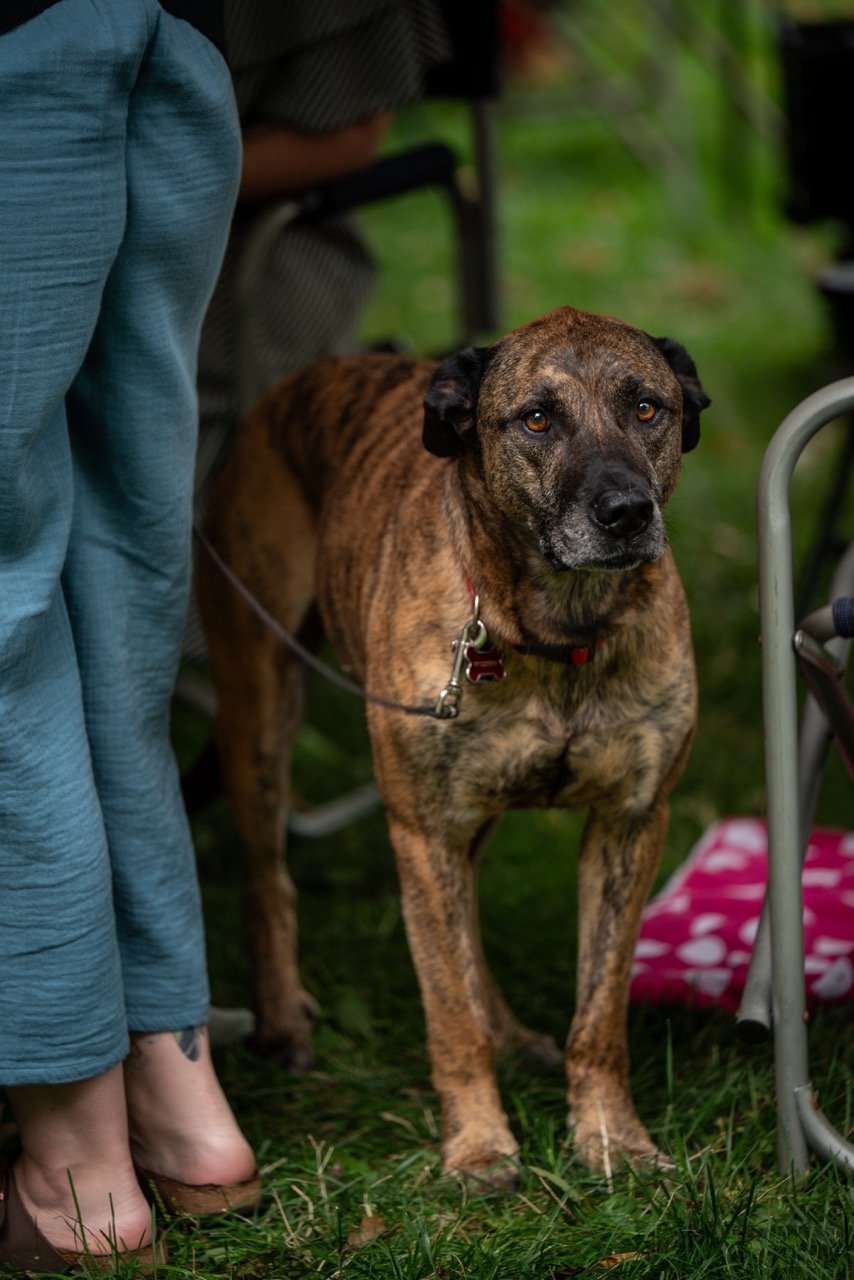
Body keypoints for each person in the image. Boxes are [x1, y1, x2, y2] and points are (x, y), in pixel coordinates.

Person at [0, 1, 257, 1269]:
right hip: (169, 41)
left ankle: (72, 1159)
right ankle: (174, 1082)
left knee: (5, 606)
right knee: (118, 573)